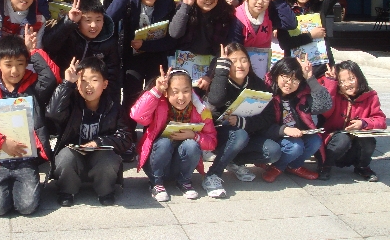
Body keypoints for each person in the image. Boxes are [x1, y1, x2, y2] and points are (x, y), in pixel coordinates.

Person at [0, 35, 60, 216]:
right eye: (8, 64)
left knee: (27, 207)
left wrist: (33, 51)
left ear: (27, 63)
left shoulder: (33, 85)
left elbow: (52, 76)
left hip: (25, 158)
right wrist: (1, 143)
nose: (15, 70)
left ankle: (23, 185)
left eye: (20, 63)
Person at [106, 0, 177, 151]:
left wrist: (146, 45)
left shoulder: (167, 3)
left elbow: (172, 40)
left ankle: (151, 135)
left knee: (156, 97)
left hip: (157, 56)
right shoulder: (131, 1)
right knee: (131, 96)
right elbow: (109, 18)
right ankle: (127, 136)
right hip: (133, 58)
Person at [47, 57, 131, 207]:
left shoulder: (114, 107)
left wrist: (99, 142)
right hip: (74, 156)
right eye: (83, 80)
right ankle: (67, 190)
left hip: (100, 158)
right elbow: (53, 114)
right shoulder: (71, 102)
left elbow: (125, 138)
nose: (88, 86)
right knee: (65, 156)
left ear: (105, 84)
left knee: (109, 159)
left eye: (94, 80)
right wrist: (67, 84)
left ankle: (105, 191)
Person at [205, 43, 282, 197]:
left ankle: (234, 161)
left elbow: (269, 117)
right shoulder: (220, 82)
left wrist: (243, 122)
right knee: (239, 135)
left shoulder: (257, 84)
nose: (240, 65)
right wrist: (221, 71)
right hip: (220, 136)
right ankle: (213, 175)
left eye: (244, 60)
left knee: (273, 151)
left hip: (247, 133)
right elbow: (215, 99)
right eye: (233, 61)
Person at [130, 67, 217, 202]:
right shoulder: (159, 103)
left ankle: (184, 181)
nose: (181, 97)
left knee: (192, 144)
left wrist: (194, 136)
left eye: (186, 91)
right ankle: (156, 183)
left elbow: (211, 141)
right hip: (156, 161)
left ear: (192, 91)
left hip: (179, 164)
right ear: (167, 92)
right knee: (164, 142)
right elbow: (137, 115)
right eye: (175, 92)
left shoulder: (201, 110)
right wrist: (156, 91)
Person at [258, 57, 332, 182]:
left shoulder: (301, 94)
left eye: (295, 80)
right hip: (273, 135)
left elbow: (325, 105)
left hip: (297, 133)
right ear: (276, 75)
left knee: (315, 141)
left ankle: (294, 166)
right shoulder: (266, 92)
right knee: (295, 146)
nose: (289, 83)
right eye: (285, 77)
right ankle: (277, 167)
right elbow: (261, 125)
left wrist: (310, 77)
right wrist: (284, 130)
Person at [42, 0, 120, 104]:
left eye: (98, 20)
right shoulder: (69, 33)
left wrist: (109, 103)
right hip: (65, 88)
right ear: (79, 20)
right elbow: (49, 45)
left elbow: (112, 73)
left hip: (93, 94)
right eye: (88, 20)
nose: (93, 25)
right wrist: (68, 22)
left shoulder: (108, 40)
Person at [317, 61, 387, 181]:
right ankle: (325, 165)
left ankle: (362, 166)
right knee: (342, 138)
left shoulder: (370, 96)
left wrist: (364, 123)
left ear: (359, 78)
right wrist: (331, 83)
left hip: (354, 143)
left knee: (368, 141)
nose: (347, 84)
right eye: (342, 81)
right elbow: (325, 110)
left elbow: (381, 121)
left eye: (351, 79)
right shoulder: (336, 94)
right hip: (332, 141)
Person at [168, 0, 234, 91]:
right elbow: (174, 33)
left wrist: (209, 75)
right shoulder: (185, 10)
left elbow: (223, 49)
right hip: (183, 65)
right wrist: (186, 6)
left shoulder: (225, 15)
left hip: (210, 67)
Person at [277, 0, 341, 78]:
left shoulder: (319, 8)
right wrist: (311, 35)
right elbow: (285, 43)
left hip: (321, 68)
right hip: (295, 69)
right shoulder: (286, 12)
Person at [230, 0, 297, 48]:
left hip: (263, 57)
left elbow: (291, 24)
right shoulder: (237, 17)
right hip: (242, 57)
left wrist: (278, 1)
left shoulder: (268, 13)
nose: (260, 2)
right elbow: (235, 48)